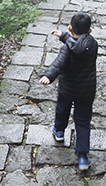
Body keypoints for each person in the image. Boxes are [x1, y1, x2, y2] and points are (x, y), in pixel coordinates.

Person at [39, 12, 98, 171]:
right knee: (83, 122)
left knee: (62, 110)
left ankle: (59, 132)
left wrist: (48, 75)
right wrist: (64, 36)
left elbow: (58, 64)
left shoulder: (67, 48)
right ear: (90, 31)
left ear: (70, 28)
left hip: (67, 90)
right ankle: (83, 158)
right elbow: (78, 45)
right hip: (86, 91)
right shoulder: (92, 44)